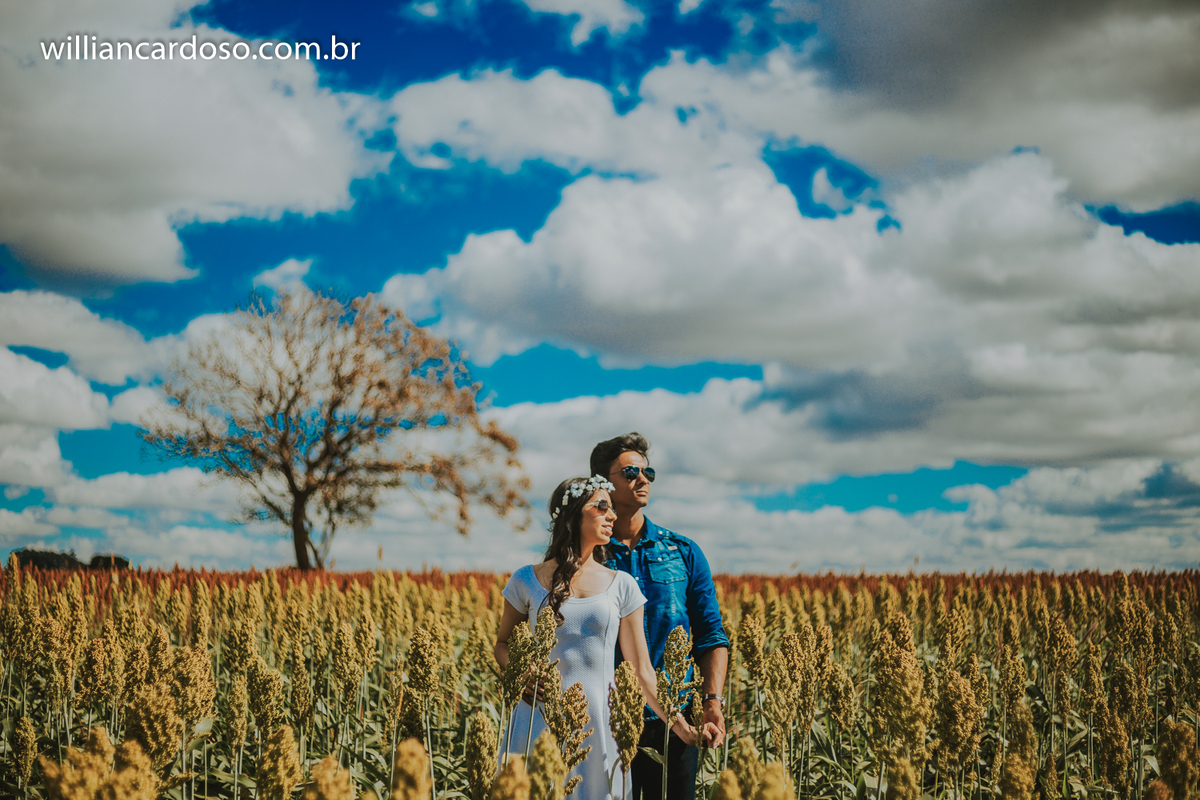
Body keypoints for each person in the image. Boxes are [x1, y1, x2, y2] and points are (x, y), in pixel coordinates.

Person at [495, 475, 699, 800]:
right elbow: (502, 643)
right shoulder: (525, 580)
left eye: (612, 509)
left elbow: (642, 672)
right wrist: (519, 671)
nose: (612, 516)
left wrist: (679, 725)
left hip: (599, 729)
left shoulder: (622, 585)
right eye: (602, 506)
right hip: (535, 720)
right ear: (574, 513)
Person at [590, 433, 730, 800]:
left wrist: (711, 702)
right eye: (631, 471)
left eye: (647, 471)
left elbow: (711, 635)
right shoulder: (588, 556)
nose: (643, 478)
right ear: (604, 484)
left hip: (676, 722)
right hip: (605, 723)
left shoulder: (682, 552)